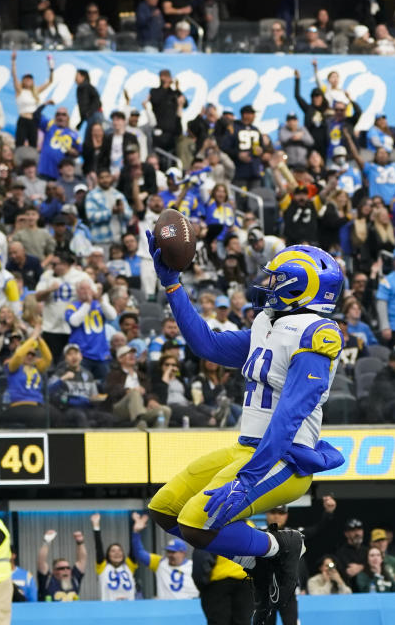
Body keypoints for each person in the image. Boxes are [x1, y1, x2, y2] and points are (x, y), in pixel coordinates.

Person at [145, 232, 345, 620]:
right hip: (248, 447)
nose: (267, 285)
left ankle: (279, 548)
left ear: (302, 289)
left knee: (195, 526)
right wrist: (172, 285)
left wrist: (248, 478)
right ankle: (262, 561)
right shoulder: (266, 322)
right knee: (165, 510)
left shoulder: (318, 333)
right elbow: (208, 346)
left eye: (278, 280)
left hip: (285, 457)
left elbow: (288, 417)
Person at [130, 517, 199, 599]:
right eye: (168, 552)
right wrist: (136, 532)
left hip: (189, 606)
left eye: (173, 552)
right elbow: (139, 553)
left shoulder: (194, 566)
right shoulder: (160, 562)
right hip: (166, 608)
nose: (170, 555)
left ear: (183, 553)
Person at [90, 512, 137, 601]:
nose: (117, 553)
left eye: (119, 551)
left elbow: (134, 548)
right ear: (108, 555)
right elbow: (98, 548)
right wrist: (96, 526)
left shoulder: (129, 566)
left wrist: (136, 528)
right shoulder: (103, 567)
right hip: (109, 609)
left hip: (129, 608)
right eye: (113, 551)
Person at [37, 529, 87, 601]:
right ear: (54, 571)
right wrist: (46, 542)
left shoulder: (74, 579)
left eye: (68, 568)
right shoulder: (48, 581)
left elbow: (82, 560)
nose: (65, 570)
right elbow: (41, 562)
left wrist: (80, 543)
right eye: (61, 568)